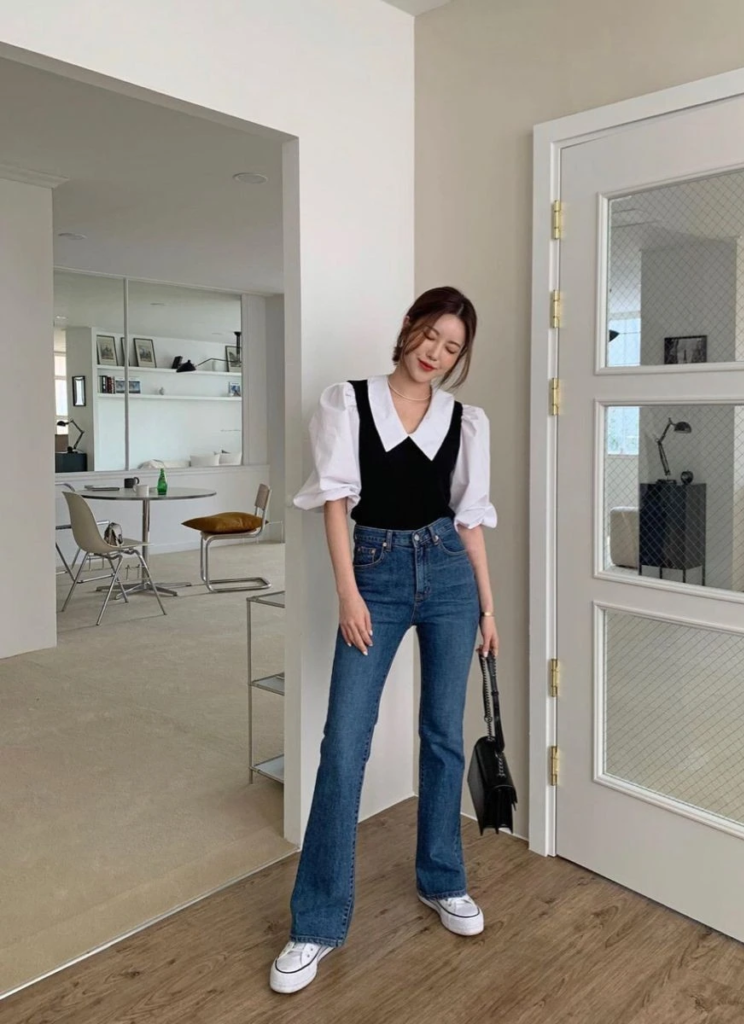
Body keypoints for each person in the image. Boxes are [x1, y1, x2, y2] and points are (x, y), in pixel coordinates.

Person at [270, 285, 499, 995]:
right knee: (344, 742)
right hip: (375, 572)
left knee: (443, 736)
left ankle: (443, 879)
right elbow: (336, 504)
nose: (436, 353)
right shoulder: (348, 402)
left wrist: (488, 607)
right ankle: (316, 922)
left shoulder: (465, 420)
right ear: (408, 328)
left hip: (450, 576)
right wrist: (349, 593)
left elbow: (469, 520)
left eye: (452, 347)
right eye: (430, 335)